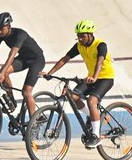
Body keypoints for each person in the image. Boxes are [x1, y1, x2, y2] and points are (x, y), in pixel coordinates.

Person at [44, 20, 116, 149]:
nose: (80, 38)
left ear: (90, 34)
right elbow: (65, 59)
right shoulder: (79, 46)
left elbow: (100, 62)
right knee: (72, 97)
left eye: (82, 36)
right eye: (78, 36)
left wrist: (94, 77)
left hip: (105, 78)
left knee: (92, 101)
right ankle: (92, 115)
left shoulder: (100, 45)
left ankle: (95, 135)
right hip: (90, 78)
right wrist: (49, 73)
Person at [0, 11, 46, 121]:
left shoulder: (19, 34)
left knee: (26, 92)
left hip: (37, 60)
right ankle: (11, 101)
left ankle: (34, 120)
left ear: (9, 26)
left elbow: (12, 55)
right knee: (4, 71)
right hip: (24, 59)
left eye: (1, 28)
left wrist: (2, 73)